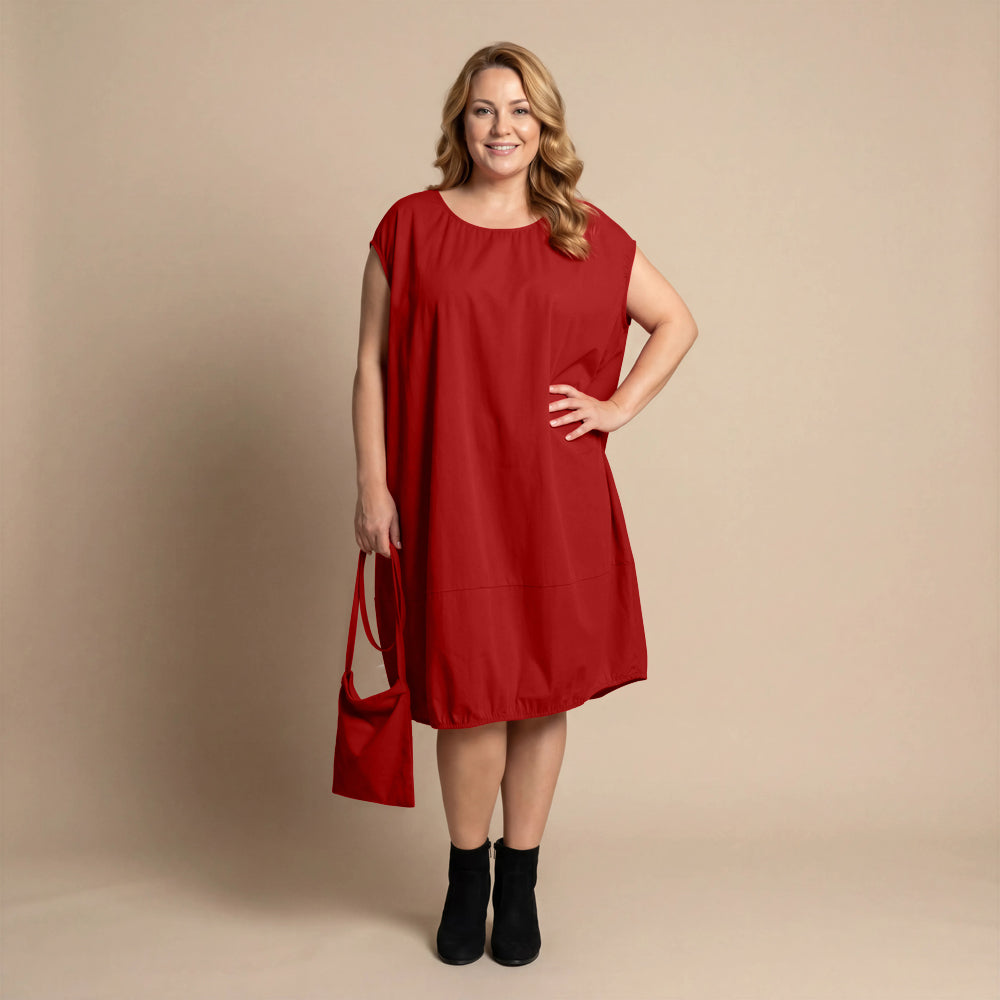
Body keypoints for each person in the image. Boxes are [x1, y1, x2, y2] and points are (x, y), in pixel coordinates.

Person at [352, 41, 698, 967]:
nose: (501, 127)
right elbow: (370, 365)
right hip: (449, 491)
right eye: (483, 109)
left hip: (553, 494)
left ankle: (521, 880)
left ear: (544, 125)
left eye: (519, 110)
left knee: (540, 689)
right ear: (459, 123)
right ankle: (466, 876)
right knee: (469, 693)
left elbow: (677, 321)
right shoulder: (408, 227)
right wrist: (373, 484)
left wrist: (617, 406)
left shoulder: (583, 230)